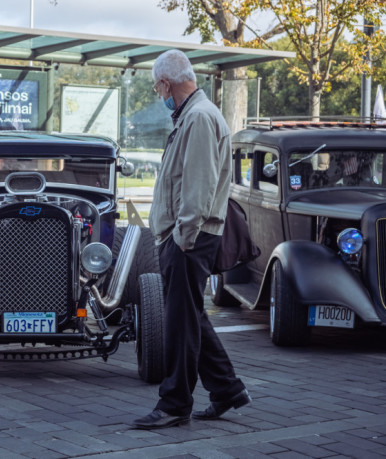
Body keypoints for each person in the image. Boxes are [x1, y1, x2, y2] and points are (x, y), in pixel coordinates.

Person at [132, 50, 250, 430]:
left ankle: (174, 404)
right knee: (190, 315)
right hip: (188, 237)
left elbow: (197, 188)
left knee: (180, 324)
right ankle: (228, 390)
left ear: (166, 83)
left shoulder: (198, 118)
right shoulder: (194, 115)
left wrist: (181, 238)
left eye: (156, 87)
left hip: (189, 239)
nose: (157, 93)